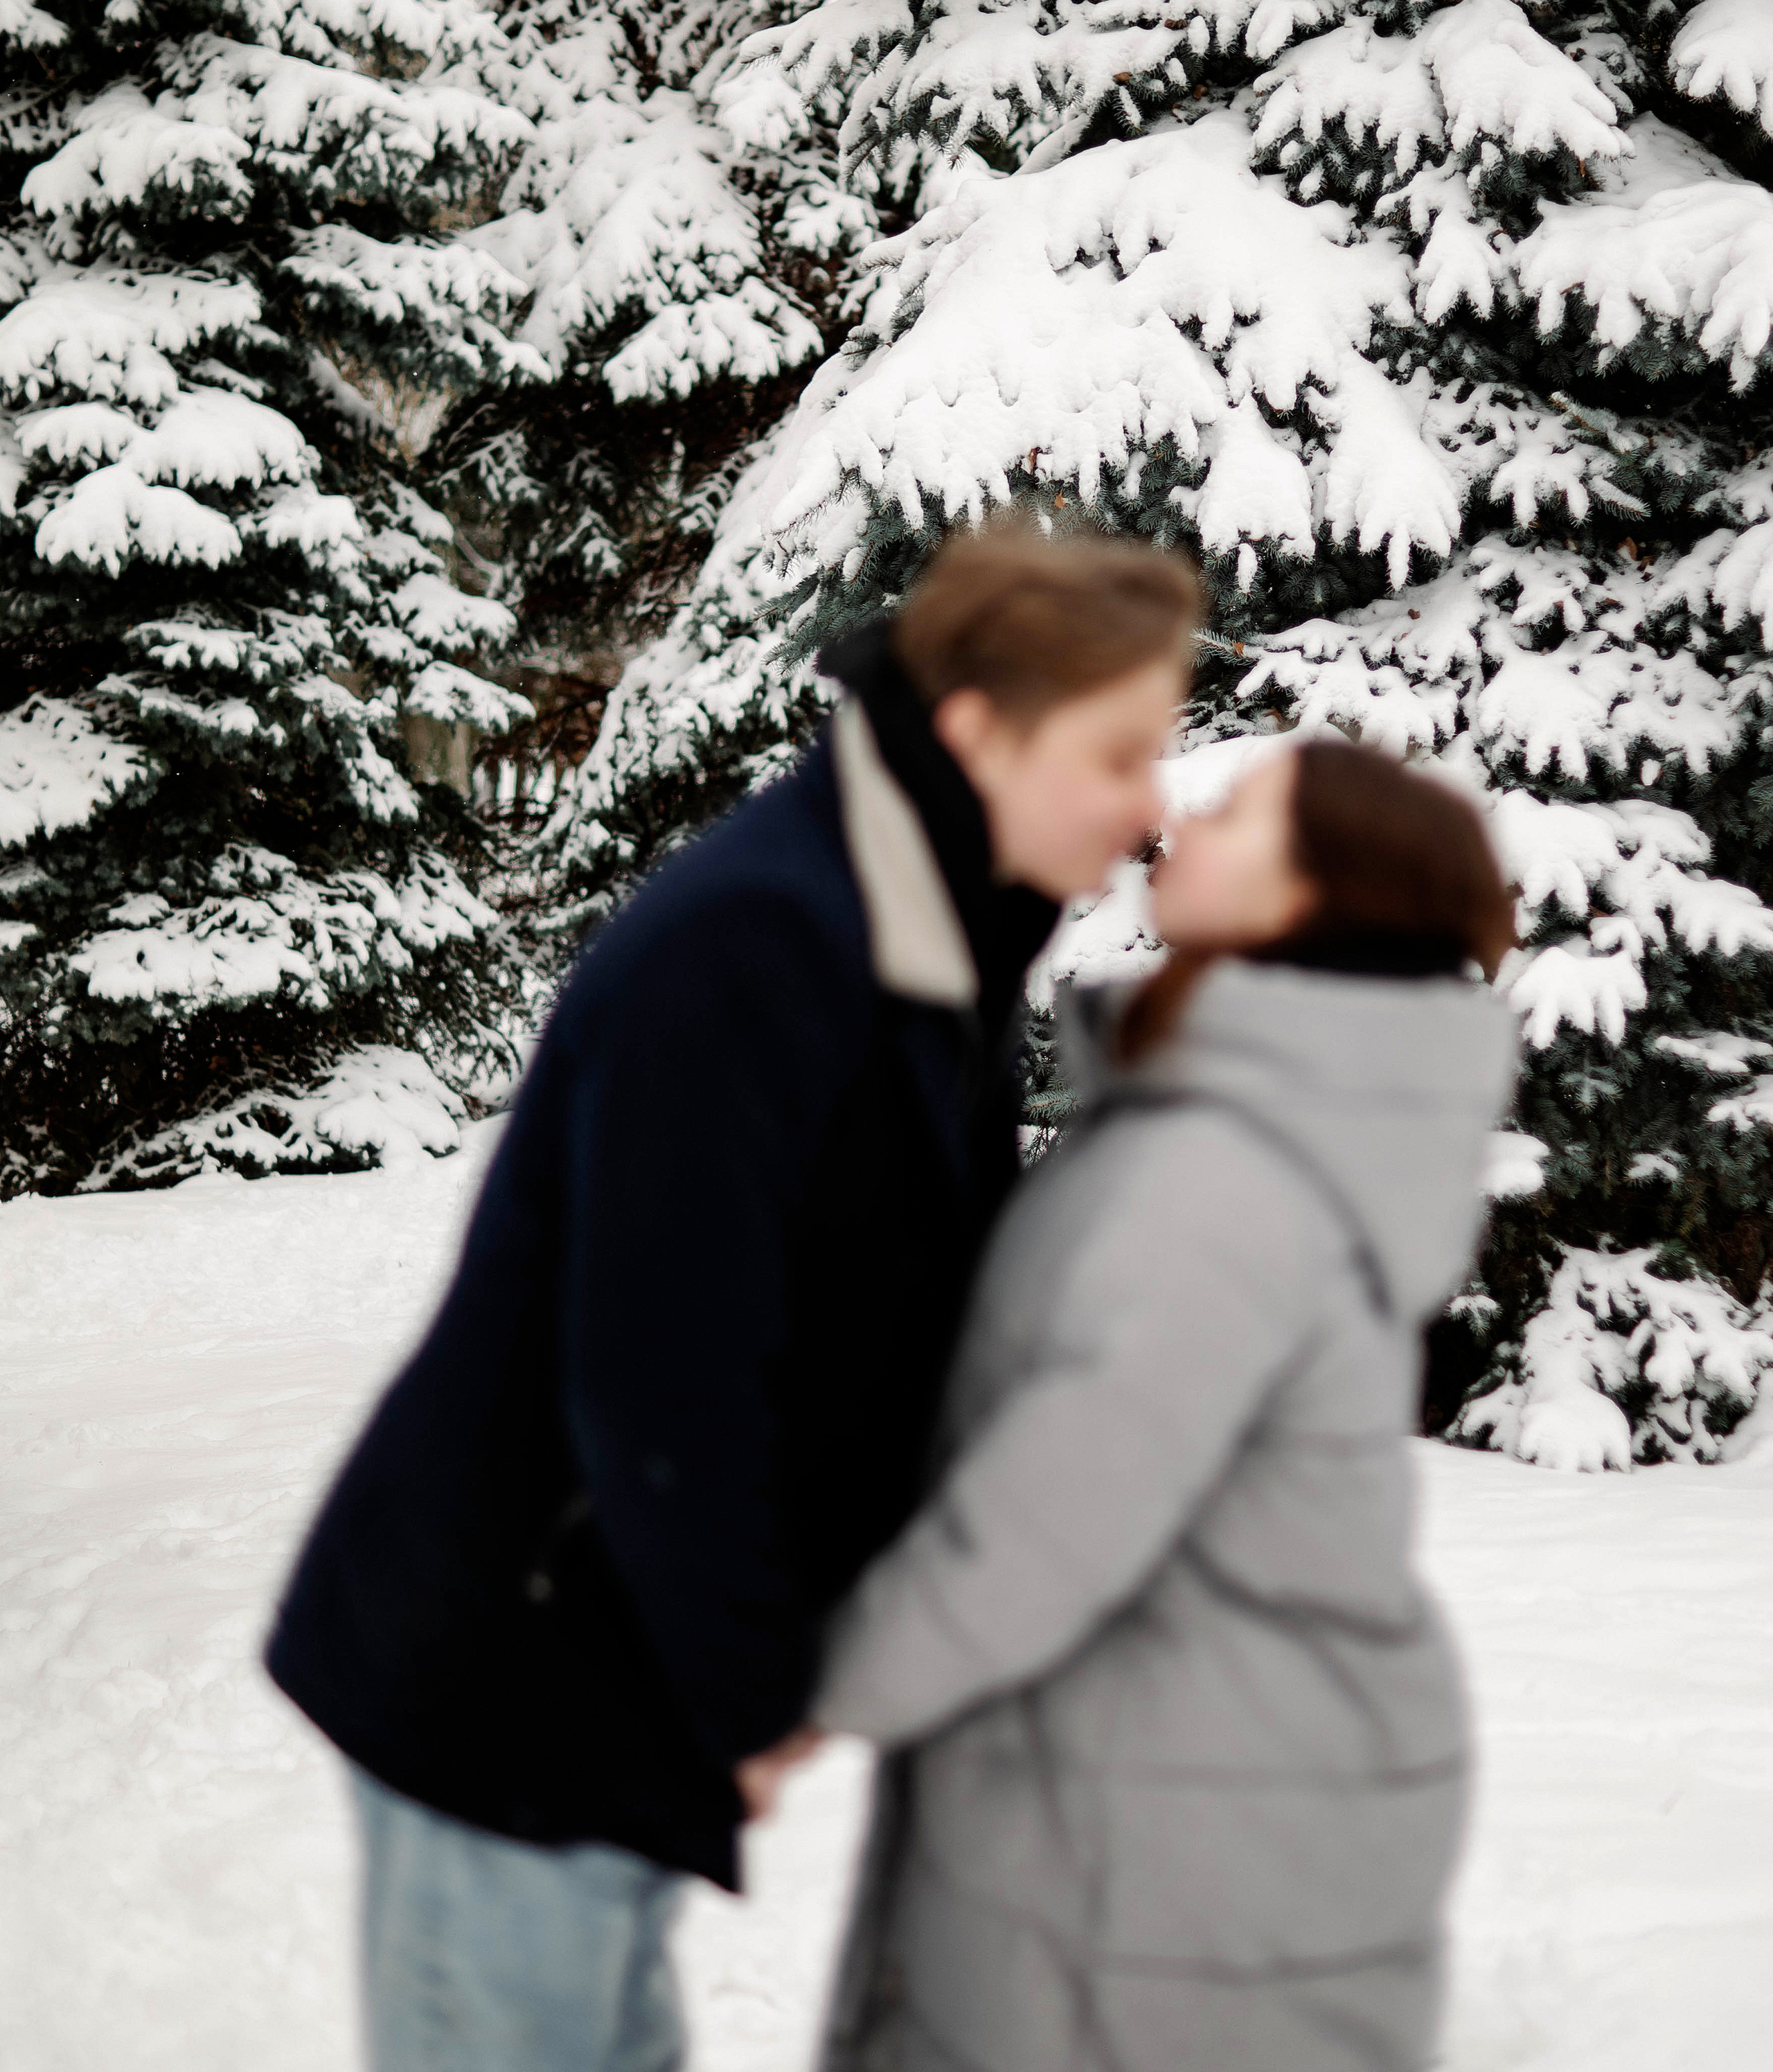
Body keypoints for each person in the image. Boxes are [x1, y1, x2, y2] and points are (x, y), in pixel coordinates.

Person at [265, 522, 1200, 2072]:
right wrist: (756, 1694)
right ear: (976, 731)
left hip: (612, 1680)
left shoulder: (925, 940)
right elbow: (655, 1380)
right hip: (516, 1683)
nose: (1148, 807)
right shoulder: (762, 947)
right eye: (1117, 755)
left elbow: (902, 1332)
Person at [787, 736, 1519, 2072]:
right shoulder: (1221, 1121)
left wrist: (797, 1697)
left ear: (1317, 895)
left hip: (1187, 1843)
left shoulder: (1223, 1172)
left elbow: (1044, 1522)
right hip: (1171, 1786)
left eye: (1239, 812)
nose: (1190, 810)